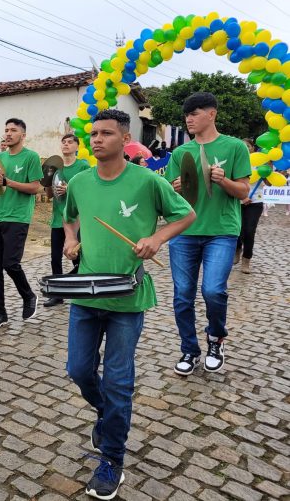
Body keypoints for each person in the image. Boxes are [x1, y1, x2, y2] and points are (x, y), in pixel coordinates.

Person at [63, 109, 194, 499]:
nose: (96, 139)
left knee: (119, 381)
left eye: (105, 133)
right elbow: (68, 217)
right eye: (93, 133)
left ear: (124, 138)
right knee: (78, 369)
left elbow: (185, 214)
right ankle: (107, 414)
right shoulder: (81, 182)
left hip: (128, 296)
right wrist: (71, 239)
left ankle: (112, 458)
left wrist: (157, 239)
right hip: (85, 295)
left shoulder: (146, 181)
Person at [164, 92, 250, 376]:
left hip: (221, 232)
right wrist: (173, 189)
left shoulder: (234, 147)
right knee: (182, 296)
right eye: (186, 114)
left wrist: (222, 180)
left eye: (195, 113)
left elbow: (244, 192)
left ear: (211, 114)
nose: (189, 119)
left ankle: (216, 339)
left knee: (213, 290)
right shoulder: (180, 153)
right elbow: (168, 197)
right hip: (184, 232)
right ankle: (189, 349)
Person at [0, 118, 43, 330]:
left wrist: (7, 182)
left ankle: (28, 296)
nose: (8, 133)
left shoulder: (31, 157)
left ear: (23, 135)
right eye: (6, 130)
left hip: (18, 218)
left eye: (13, 130)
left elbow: (36, 187)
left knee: (10, 263)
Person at [42, 133, 89, 307]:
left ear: (77, 147)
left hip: (77, 219)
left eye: (70, 142)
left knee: (77, 257)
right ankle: (57, 294)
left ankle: (79, 289)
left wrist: (69, 188)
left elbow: (87, 190)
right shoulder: (57, 168)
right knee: (55, 258)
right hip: (57, 218)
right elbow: (48, 195)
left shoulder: (82, 166)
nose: (66, 145)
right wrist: (47, 182)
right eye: (64, 142)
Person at [235, 138, 263, 274]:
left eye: (248, 146)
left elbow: (269, 183)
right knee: (237, 229)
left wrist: (266, 173)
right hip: (238, 200)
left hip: (255, 202)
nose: (245, 148)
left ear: (253, 148)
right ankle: (237, 249)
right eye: (243, 146)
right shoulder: (236, 161)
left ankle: (246, 259)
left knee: (249, 231)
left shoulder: (261, 161)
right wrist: (243, 197)